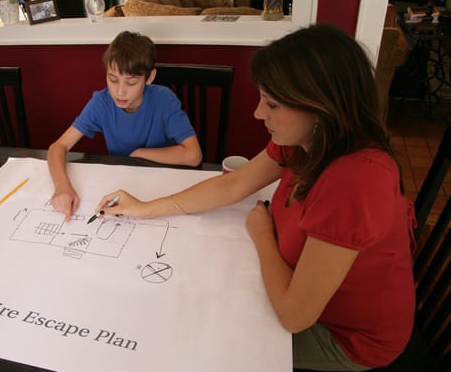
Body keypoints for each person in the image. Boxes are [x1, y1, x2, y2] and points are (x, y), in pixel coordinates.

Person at [94, 24, 416, 371]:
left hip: (347, 337)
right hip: (297, 283)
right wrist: (144, 209)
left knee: (196, 339)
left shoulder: (356, 180)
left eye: (272, 104)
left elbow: (295, 316)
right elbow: (232, 186)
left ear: (321, 107)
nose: (258, 113)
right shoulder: (308, 139)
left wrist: (263, 234)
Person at [47, 31, 202, 221]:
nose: (119, 91)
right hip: (123, 182)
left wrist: (140, 153)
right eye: (112, 79)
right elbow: (58, 147)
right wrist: (62, 186)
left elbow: (193, 155)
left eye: (131, 82)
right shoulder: (101, 102)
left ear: (150, 77)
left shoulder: (164, 99)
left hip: (161, 184)